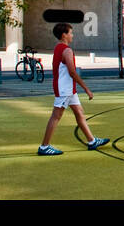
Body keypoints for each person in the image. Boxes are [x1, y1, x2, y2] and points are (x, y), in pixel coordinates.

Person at [38, 23, 109, 155]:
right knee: (56, 116)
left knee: (79, 112)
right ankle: (44, 146)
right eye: (71, 33)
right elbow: (72, 72)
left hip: (67, 88)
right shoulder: (66, 50)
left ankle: (91, 140)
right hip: (64, 89)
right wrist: (86, 88)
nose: (72, 35)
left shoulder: (59, 48)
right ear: (64, 35)